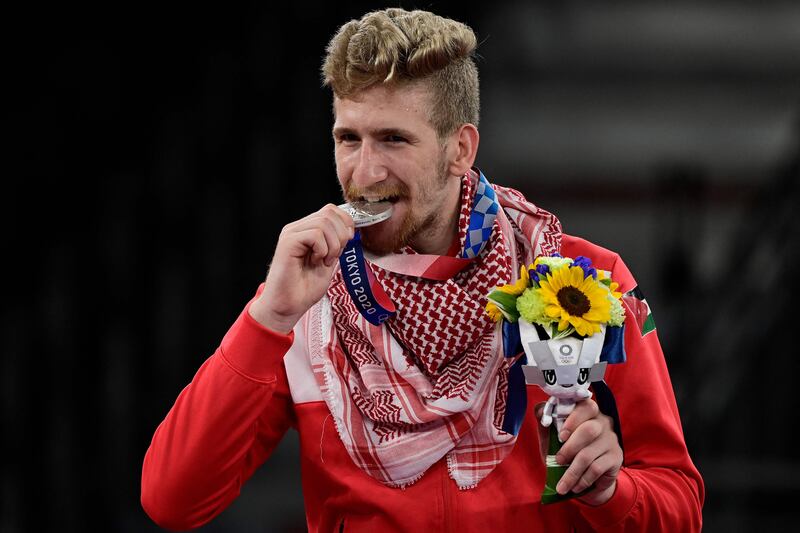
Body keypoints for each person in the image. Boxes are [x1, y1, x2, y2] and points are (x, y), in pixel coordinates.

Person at [141, 7, 704, 532]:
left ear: (460, 150)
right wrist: (269, 315)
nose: (365, 171)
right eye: (348, 139)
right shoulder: (307, 296)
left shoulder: (581, 280)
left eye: (393, 139)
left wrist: (612, 493)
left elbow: (680, 505)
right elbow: (174, 499)